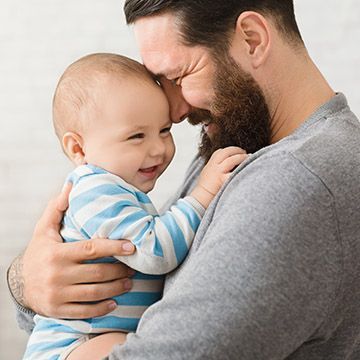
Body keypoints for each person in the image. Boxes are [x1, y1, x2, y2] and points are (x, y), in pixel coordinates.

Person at [8, 1, 360, 359]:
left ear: (252, 39)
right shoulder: (240, 144)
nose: (174, 112)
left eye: (179, 77)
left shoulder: (296, 180)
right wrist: (27, 282)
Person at [22, 52, 246, 360]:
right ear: (78, 148)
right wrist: (203, 193)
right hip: (74, 344)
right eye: (137, 136)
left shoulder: (118, 190)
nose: (158, 148)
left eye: (164, 130)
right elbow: (154, 251)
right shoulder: (95, 190)